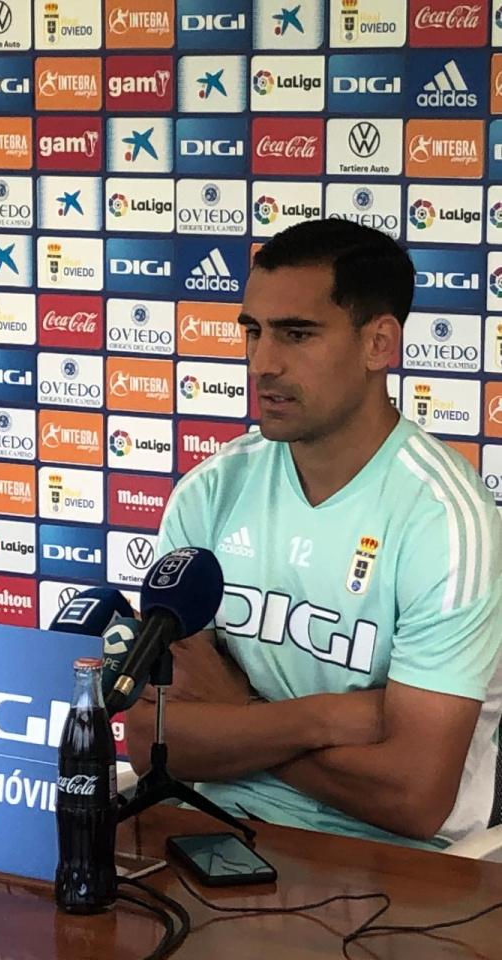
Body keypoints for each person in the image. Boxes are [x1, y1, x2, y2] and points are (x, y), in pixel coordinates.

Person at [125, 219, 502, 850]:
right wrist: (322, 720)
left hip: (395, 865)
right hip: (206, 829)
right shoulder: (211, 491)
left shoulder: (444, 519)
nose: (262, 363)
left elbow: (414, 797)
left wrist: (239, 716)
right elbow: (149, 739)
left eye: (297, 334)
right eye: (254, 331)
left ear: (378, 343)